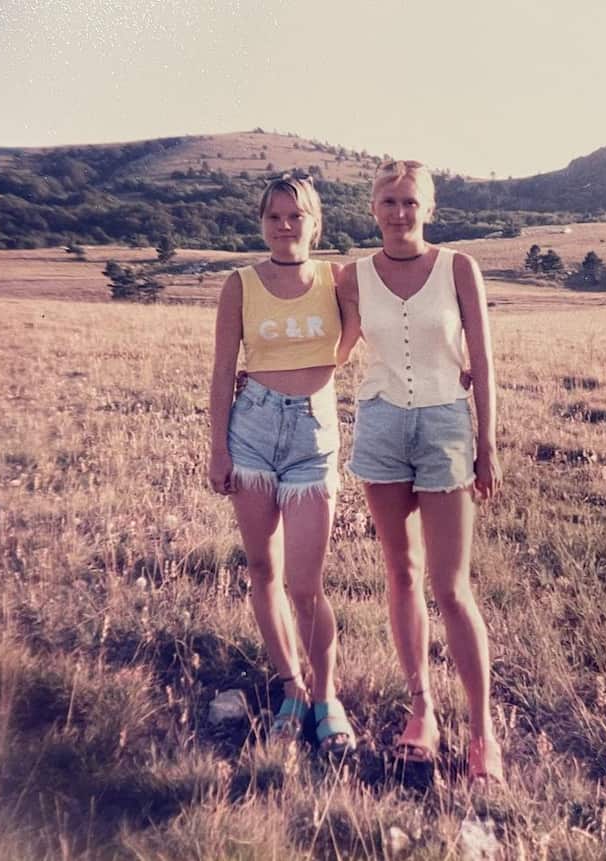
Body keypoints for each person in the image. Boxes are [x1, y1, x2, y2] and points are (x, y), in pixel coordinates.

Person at [336, 159, 504, 784]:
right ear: (373, 209)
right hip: (381, 427)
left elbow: (482, 360)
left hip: (445, 430)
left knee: (451, 586)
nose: (400, 212)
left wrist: (488, 445)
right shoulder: (352, 277)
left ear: (428, 207)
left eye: (410, 202)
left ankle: (483, 732)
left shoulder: (459, 267)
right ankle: (422, 710)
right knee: (401, 572)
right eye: (389, 202)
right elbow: (335, 348)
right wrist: (264, 368)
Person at [208, 174, 360, 755]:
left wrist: (320, 368)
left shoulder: (335, 278)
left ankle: (327, 697)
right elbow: (224, 370)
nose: (285, 226)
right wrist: (218, 448)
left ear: (315, 222)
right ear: (262, 223)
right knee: (262, 571)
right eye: (274, 216)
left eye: (296, 216)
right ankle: (290, 686)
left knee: (305, 584)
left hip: (312, 432)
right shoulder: (240, 284)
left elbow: (351, 339)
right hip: (250, 430)